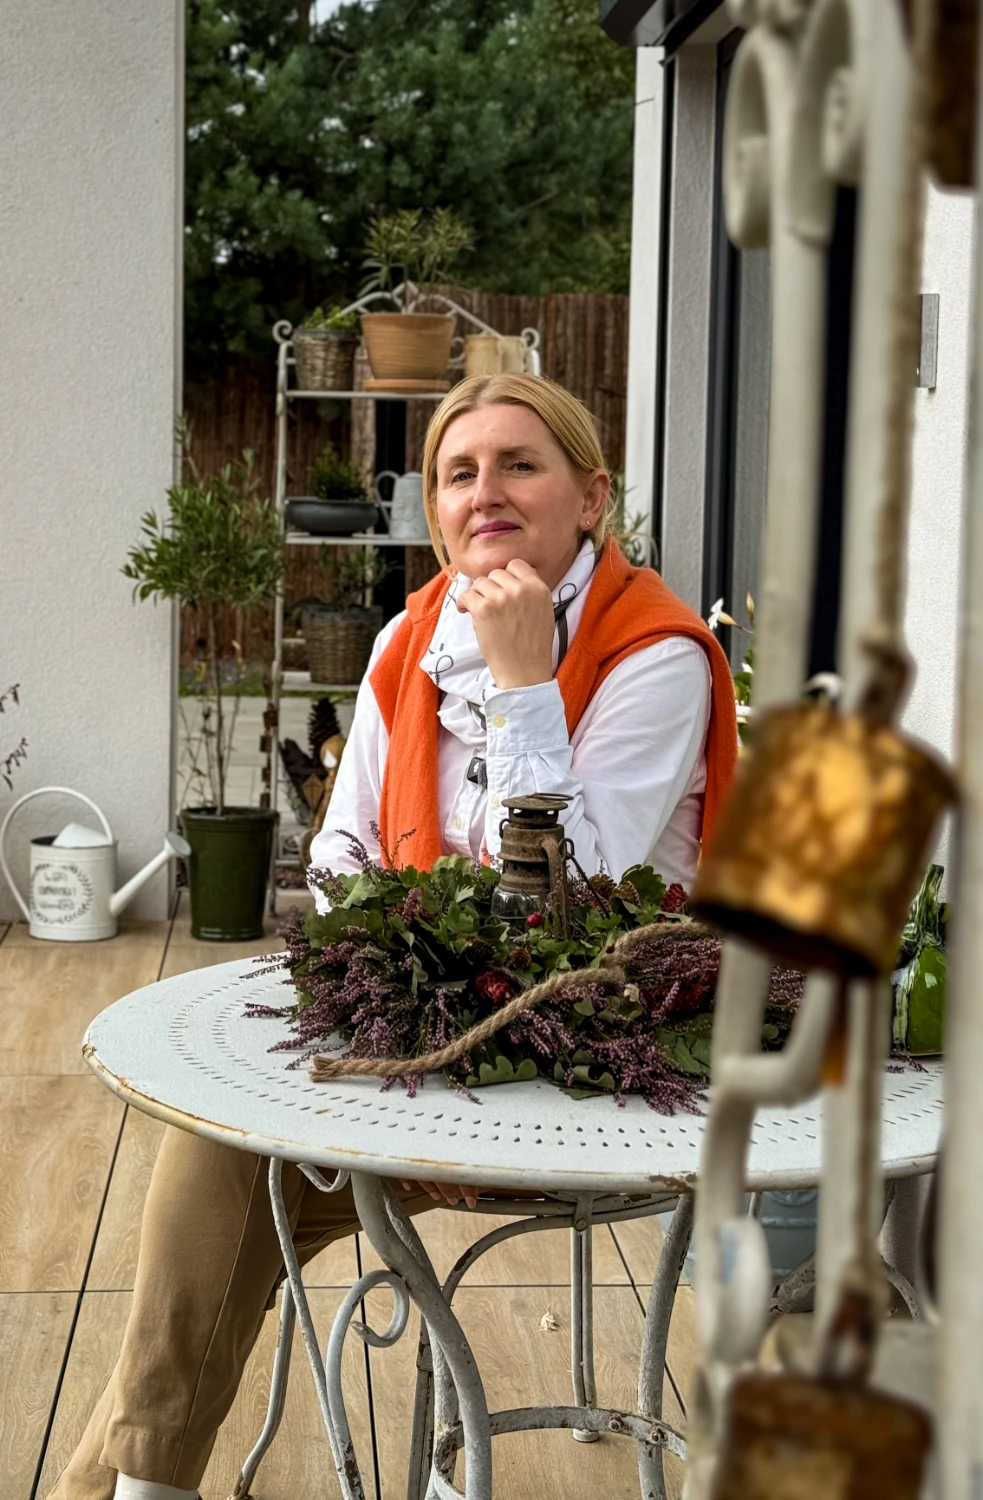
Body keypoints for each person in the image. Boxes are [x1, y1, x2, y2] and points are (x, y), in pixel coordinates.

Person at [51, 374, 737, 1500]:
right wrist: (390, 961)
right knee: (217, 1144)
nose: (485, 492)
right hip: (425, 1046)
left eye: (519, 464)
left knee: (234, 1169)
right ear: (435, 509)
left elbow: (570, 907)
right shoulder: (409, 638)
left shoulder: (652, 655)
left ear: (589, 498)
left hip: (587, 1072)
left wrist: (522, 682)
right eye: (458, 473)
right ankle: (138, 1487)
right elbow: (340, 849)